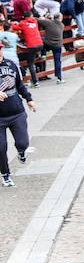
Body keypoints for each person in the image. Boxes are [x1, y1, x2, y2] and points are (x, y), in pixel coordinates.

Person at [0, 55, 36, 187]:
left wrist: (29, 99)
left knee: (23, 142)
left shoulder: (10, 64)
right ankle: (5, 175)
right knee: (1, 148)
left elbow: (19, 84)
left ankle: (21, 152)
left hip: (16, 112)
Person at [13, 12, 43, 88]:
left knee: (30, 64)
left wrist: (14, 23)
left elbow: (14, 27)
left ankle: (35, 82)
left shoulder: (22, 23)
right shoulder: (35, 21)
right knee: (35, 60)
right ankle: (40, 55)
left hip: (31, 46)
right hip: (40, 44)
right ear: (31, 16)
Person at [37, 13, 65, 84]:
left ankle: (43, 54)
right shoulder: (62, 25)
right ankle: (59, 78)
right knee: (57, 61)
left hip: (48, 44)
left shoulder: (49, 22)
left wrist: (42, 18)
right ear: (60, 18)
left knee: (41, 41)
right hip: (58, 45)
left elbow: (37, 20)